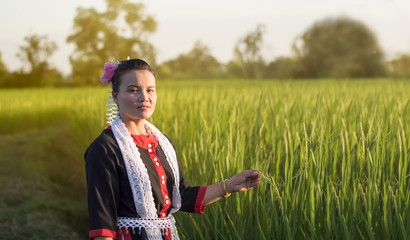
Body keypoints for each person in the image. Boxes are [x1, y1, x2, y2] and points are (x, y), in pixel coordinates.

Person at [85, 58, 261, 240]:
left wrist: (229, 186)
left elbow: (180, 195)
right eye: (133, 90)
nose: (144, 97)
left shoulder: (162, 143)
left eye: (150, 90)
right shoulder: (105, 148)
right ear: (115, 96)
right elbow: (102, 223)